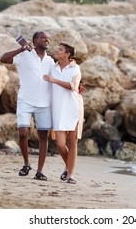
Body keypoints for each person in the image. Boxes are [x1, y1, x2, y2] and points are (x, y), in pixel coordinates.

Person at [0, 31, 53, 181]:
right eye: (43, 37)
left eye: (48, 38)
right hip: (25, 101)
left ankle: (40, 171)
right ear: (35, 41)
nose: (47, 40)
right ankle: (26, 163)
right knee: (23, 133)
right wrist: (21, 49)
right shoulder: (24, 55)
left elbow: (58, 77)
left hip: (44, 103)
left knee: (44, 137)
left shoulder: (50, 61)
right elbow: (3, 58)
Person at [43, 42, 84, 184]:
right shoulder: (52, 67)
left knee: (72, 143)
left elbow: (73, 86)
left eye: (60, 50)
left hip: (73, 108)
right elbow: (41, 77)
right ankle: (68, 167)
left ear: (67, 54)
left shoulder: (75, 68)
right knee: (60, 144)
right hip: (58, 109)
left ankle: (70, 175)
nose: (57, 51)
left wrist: (54, 80)